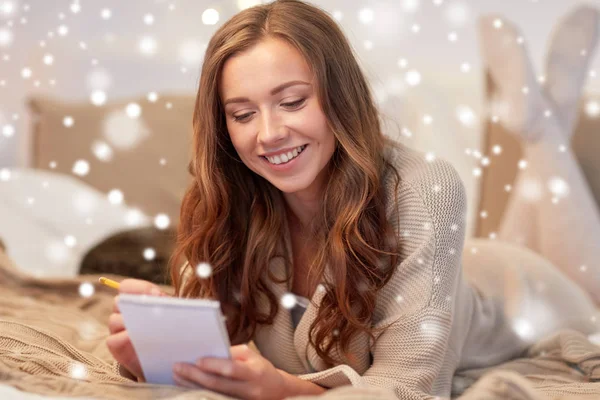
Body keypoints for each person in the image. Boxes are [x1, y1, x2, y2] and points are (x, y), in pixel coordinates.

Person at [106, 1, 529, 398]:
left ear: (340, 95)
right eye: (242, 114)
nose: (268, 134)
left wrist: (284, 389)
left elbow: (407, 388)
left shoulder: (426, 190)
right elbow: (219, 358)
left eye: (292, 102)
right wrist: (155, 353)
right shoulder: (224, 195)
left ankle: (540, 132)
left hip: (519, 290)